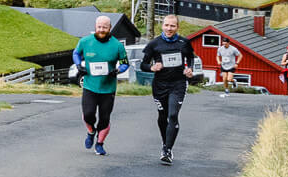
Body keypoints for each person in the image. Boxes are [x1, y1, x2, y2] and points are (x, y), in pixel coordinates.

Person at [138, 14, 202, 164]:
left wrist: (190, 69)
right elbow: (143, 64)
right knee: (163, 116)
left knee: (173, 115)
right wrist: (152, 67)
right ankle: (165, 142)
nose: (169, 28)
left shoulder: (184, 42)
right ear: (162, 25)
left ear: (177, 27)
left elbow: (190, 57)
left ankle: (167, 149)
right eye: (167, 25)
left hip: (178, 84)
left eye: (172, 26)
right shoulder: (154, 44)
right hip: (160, 85)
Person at [70, 14, 129, 154]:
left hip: (108, 89)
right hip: (90, 86)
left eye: (104, 27)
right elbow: (76, 53)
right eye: (99, 27)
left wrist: (117, 71)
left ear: (110, 28)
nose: (101, 30)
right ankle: (91, 131)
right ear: (95, 27)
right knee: (88, 114)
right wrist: (79, 65)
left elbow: (125, 63)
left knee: (105, 118)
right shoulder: (85, 41)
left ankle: (100, 144)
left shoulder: (117, 45)